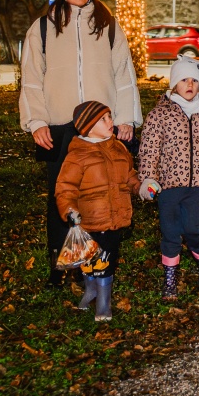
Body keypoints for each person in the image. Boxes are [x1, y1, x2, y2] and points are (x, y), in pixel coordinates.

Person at [19, 0, 142, 289]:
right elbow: (31, 77)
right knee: (64, 197)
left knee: (102, 195)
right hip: (61, 126)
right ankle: (62, 265)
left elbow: (124, 74)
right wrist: (36, 122)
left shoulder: (108, 24)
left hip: (103, 128)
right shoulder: (43, 28)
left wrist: (127, 118)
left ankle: (95, 265)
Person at [137, 56, 199, 298]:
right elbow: (149, 149)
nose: (190, 84)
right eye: (184, 79)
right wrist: (148, 178)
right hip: (168, 185)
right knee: (171, 231)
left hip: (197, 185)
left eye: (194, 80)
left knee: (193, 228)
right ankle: (170, 277)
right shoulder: (160, 114)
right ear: (174, 83)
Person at [55, 101, 141, 321]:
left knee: (105, 261)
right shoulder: (77, 155)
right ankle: (91, 290)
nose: (110, 121)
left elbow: (129, 174)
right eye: (103, 118)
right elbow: (65, 187)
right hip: (88, 219)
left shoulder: (118, 148)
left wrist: (139, 186)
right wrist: (69, 210)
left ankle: (103, 301)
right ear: (88, 127)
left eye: (110, 116)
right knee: (89, 259)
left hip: (113, 219)